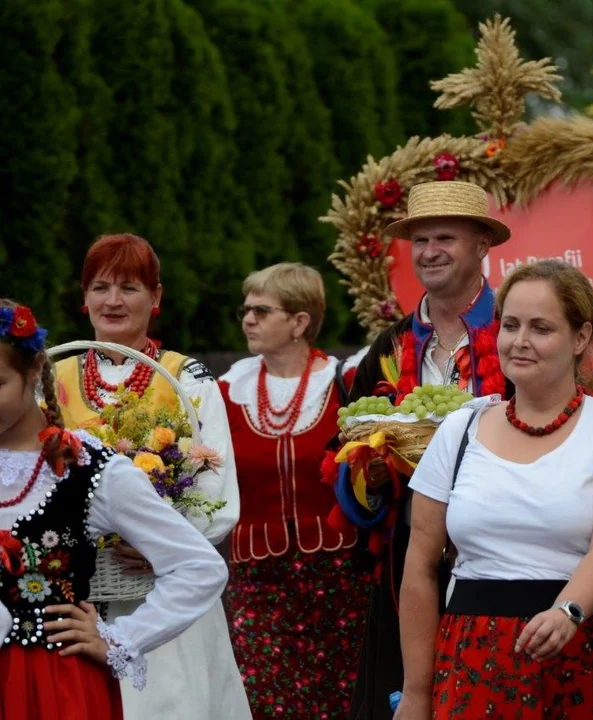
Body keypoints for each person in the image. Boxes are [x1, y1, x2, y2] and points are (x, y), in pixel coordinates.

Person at [395, 260, 593, 719]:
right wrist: (417, 693)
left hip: (592, 648)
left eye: (541, 328)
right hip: (476, 657)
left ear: (580, 337)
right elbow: (419, 565)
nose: (520, 341)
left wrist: (568, 611)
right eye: (510, 325)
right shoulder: (461, 428)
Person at [0, 300, 228, 719]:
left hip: (54, 684)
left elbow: (198, 567)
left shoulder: (87, 468)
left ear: (33, 373)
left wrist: (122, 638)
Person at [53, 233, 249, 718]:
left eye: (129, 287)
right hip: (80, 599)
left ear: (156, 298)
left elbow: (216, 491)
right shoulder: (51, 379)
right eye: (100, 287)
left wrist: (158, 542)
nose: (112, 301)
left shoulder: (188, 378)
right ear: (84, 297)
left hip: (166, 594)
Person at [343, 181, 512, 720]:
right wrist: (368, 472)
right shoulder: (389, 346)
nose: (430, 251)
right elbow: (344, 453)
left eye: (446, 237)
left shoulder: (518, 333)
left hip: (503, 553)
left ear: (483, 244)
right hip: (407, 560)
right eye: (420, 240)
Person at [219, 263, 367, 717]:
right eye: (246, 310)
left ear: (300, 322)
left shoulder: (346, 382)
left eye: (262, 311)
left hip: (339, 581)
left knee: (341, 703)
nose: (248, 319)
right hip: (256, 586)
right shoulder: (227, 388)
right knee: (266, 704)